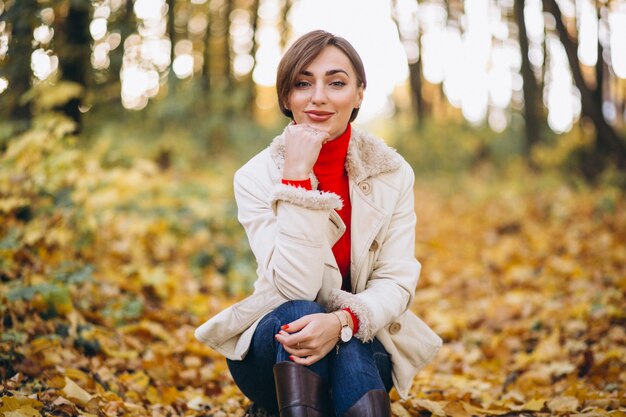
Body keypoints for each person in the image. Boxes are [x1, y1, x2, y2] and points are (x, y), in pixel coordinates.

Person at [195, 30, 442, 417]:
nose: (319, 97)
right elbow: (296, 287)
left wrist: (343, 321)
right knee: (297, 313)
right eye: (303, 83)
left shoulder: (393, 174)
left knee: (354, 341)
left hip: (361, 347)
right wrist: (295, 178)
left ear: (359, 93)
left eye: (337, 83)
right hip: (273, 352)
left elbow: (397, 280)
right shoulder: (257, 176)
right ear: (285, 97)